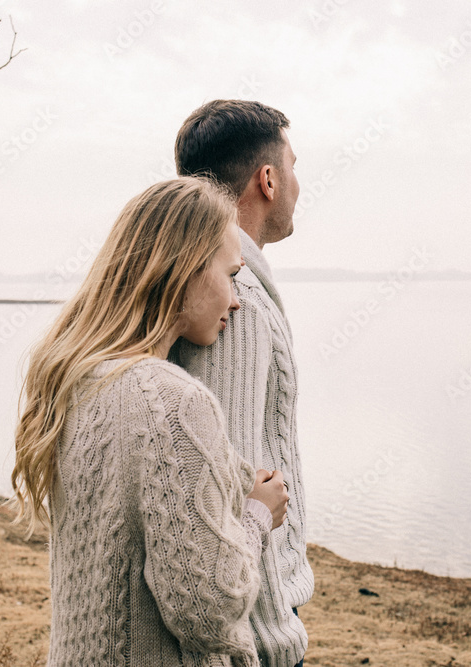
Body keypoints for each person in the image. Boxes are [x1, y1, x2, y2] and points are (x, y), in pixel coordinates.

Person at [8, 177, 290, 667]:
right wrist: (257, 516)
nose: (237, 301)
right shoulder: (170, 400)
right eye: (230, 276)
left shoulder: (71, 377)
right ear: (185, 270)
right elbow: (208, 612)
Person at [171, 100, 312, 667]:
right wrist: (271, 638)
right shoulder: (239, 301)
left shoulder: (222, 284)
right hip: (253, 629)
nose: (301, 185)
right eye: (294, 166)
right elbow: (229, 487)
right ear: (269, 179)